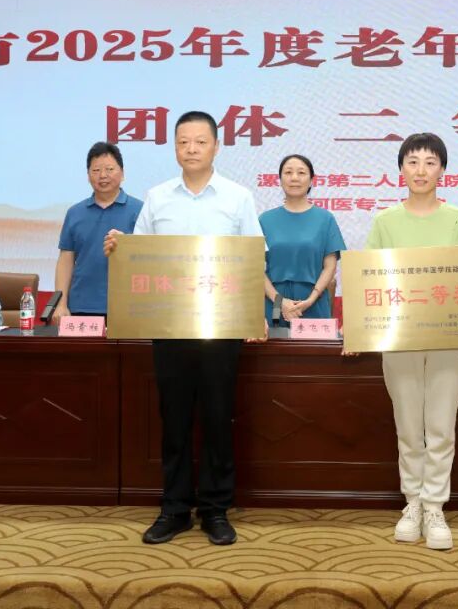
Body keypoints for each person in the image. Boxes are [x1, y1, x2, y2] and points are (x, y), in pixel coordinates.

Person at [103, 111, 263, 547]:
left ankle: (215, 509)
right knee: (173, 420)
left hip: (221, 328)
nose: (191, 149)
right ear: (174, 147)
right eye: (183, 142)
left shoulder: (237, 197)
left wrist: (254, 316)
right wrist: (119, 248)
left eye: (200, 141)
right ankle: (174, 509)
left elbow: (254, 257)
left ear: (216, 146)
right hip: (170, 327)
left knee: (217, 418)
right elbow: (139, 255)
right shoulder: (157, 198)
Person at [366, 132, 458, 552]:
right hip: (400, 339)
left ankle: (435, 506)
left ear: (443, 170)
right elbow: (369, 279)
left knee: (441, 427)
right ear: (401, 169)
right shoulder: (385, 222)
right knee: (409, 426)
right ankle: (412, 502)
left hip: (448, 338)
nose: (421, 170)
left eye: (430, 162)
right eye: (412, 161)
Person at [53, 142, 143, 320]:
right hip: (81, 305)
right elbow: (65, 260)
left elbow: (148, 258)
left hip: (127, 306)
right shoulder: (75, 213)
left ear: (122, 173)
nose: (103, 175)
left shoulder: (140, 210)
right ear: (88, 175)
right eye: (96, 170)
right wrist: (61, 304)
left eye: (109, 169)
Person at [259, 154, 346, 327]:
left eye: (301, 173)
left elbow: (330, 267)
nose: (294, 178)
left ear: (311, 180)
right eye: (288, 172)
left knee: (313, 345)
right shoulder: (265, 220)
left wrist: (311, 299)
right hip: (274, 303)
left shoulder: (325, 219)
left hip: (314, 301)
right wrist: (280, 301)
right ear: (280, 179)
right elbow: (256, 268)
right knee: (274, 343)